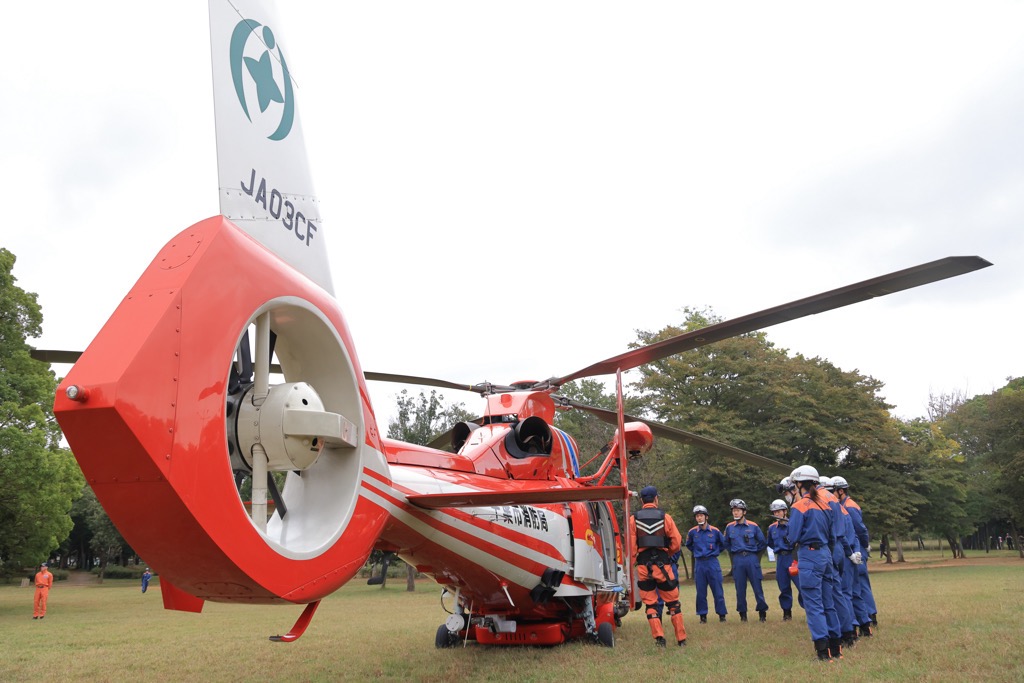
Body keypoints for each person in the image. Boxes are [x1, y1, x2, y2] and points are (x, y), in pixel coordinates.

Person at [786, 465, 842, 661]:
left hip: (809, 555)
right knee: (829, 603)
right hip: (826, 553)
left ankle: (822, 652)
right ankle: (836, 648)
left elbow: (792, 537)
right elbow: (833, 535)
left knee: (813, 604)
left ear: (800, 484)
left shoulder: (799, 507)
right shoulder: (826, 505)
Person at [630, 486, 688, 648]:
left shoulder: (633, 519)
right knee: (673, 603)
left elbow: (631, 547)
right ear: (656, 499)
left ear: (641, 500)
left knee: (651, 604)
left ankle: (659, 639)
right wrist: (666, 554)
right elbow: (676, 542)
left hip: (643, 567)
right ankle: (681, 639)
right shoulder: (665, 517)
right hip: (663, 567)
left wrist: (635, 559)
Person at [831, 475, 877, 634]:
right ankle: (865, 623)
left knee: (854, 588)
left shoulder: (847, 507)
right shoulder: (843, 506)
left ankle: (864, 619)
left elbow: (859, 530)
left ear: (840, 491)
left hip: (851, 550)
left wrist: (863, 547)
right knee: (855, 589)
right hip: (853, 548)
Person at [723, 499, 769, 622]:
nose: (735, 513)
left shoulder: (753, 526)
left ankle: (762, 613)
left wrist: (753, 551)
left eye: (738, 510)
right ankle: (743, 615)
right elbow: (726, 543)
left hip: (751, 558)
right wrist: (734, 551)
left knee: (757, 587)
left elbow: (763, 542)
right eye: (733, 511)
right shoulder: (729, 527)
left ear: (744, 512)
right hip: (738, 559)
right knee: (740, 588)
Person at [685, 504, 728, 623]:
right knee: (701, 591)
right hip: (700, 564)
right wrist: (697, 552)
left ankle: (722, 615)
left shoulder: (714, 531)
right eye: (697, 516)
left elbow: (723, 543)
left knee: (718, 590)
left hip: (712, 562)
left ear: (706, 517)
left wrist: (715, 552)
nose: (699, 518)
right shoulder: (692, 532)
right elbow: (688, 545)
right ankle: (702, 616)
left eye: (701, 515)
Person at [766, 499, 797, 620]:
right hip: (781, 558)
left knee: (802, 585)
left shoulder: (793, 524)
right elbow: (770, 543)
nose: (776, 514)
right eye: (774, 512)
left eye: (778, 511)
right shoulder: (772, 528)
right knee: (783, 586)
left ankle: (810, 611)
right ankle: (787, 612)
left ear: (785, 511)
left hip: (793, 556)